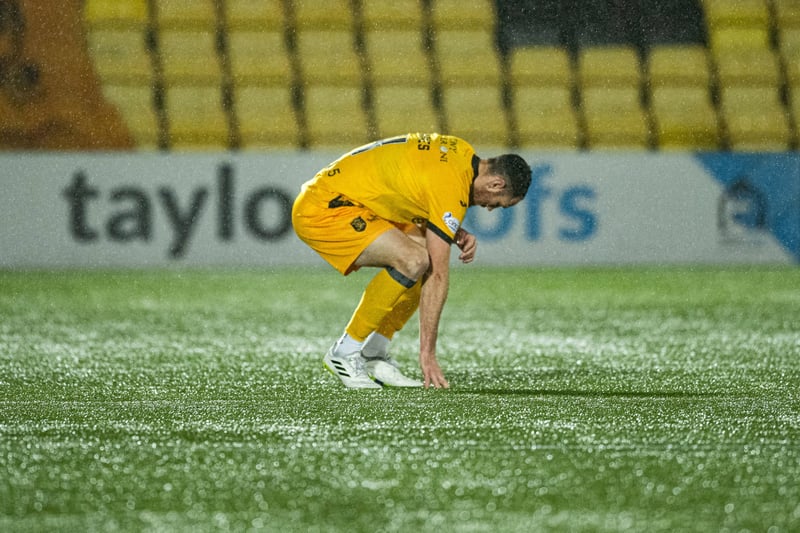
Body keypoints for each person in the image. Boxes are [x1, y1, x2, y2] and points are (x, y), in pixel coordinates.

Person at [291, 133, 531, 389]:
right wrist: (427, 354)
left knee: (421, 251)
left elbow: (414, 190)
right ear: (496, 184)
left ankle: (374, 352)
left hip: (351, 200)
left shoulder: (460, 152)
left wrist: (450, 232)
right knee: (415, 261)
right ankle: (343, 353)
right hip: (325, 208)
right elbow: (438, 275)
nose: (491, 208)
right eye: (499, 204)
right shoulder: (452, 185)